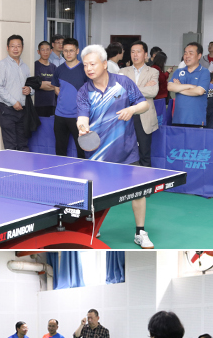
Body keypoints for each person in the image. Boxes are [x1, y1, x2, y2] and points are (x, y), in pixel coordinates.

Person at [76, 44, 154, 247]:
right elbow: (82, 117)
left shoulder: (123, 82)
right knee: (95, 196)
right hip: (97, 154)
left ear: (104, 64)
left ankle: (140, 232)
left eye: (93, 64)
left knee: (139, 192)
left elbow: (144, 104)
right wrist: (82, 127)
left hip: (126, 150)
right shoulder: (84, 91)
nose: (89, 68)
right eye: (85, 65)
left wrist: (132, 109)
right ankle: (95, 228)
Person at [0, 34, 32, 151]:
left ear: (22, 48)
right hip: (7, 110)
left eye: (18, 46)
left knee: (23, 143)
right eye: (12, 46)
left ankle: (23, 163)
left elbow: (30, 85)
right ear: (7, 48)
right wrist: (13, 102)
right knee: (11, 144)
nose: (15, 49)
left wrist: (30, 90)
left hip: (23, 110)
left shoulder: (25, 66)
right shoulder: (2, 65)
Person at [51, 37, 87, 158]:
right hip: (60, 116)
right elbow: (56, 89)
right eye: (65, 51)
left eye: (71, 50)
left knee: (82, 149)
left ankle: (83, 170)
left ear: (77, 51)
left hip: (79, 117)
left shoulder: (85, 69)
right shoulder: (59, 70)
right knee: (60, 150)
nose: (68, 53)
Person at [125, 41, 159, 167]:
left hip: (144, 116)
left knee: (144, 153)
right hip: (126, 115)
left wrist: (130, 89)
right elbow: (119, 93)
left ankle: (145, 178)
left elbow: (153, 92)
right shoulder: (122, 71)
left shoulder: (153, 72)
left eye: (138, 52)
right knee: (126, 153)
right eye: (132, 52)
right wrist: (143, 87)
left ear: (145, 55)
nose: (135, 55)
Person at [169, 41, 210, 127]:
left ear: (199, 56)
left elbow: (199, 91)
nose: (187, 56)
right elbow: (170, 87)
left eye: (191, 53)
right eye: (185, 53)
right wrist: (189, 86)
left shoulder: (204, 72)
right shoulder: (178, 71)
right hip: (178, 118)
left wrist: (179, 88)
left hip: (196, 119)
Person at [33, 39, 57, 120]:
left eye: (47, 50)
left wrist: (45, 84)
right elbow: (38, 85)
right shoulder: (35, 66)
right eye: (42, 50)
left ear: (51, 51)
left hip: (52, 104)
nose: (45, 52)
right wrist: (52, 85)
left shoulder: (54, 67)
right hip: (39, 105)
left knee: (50, 126)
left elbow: (58, 85)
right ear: (38, 52)